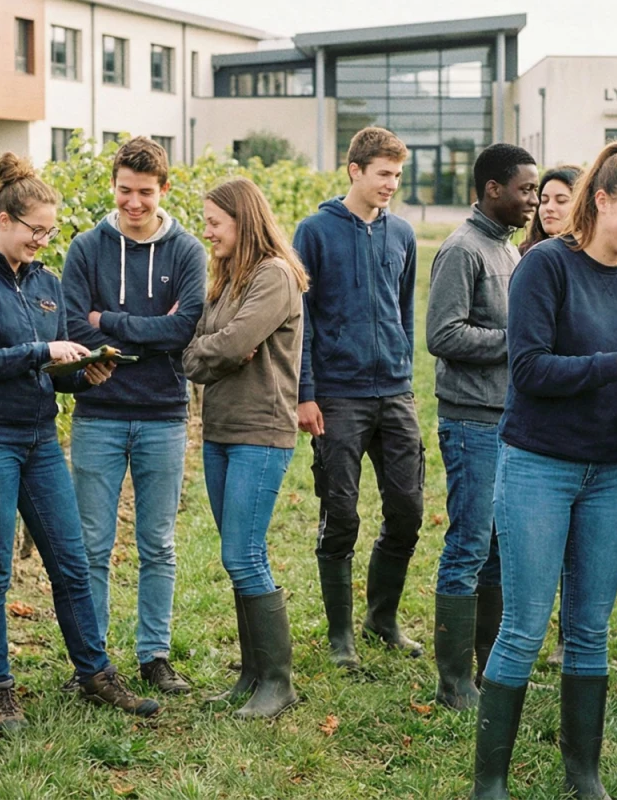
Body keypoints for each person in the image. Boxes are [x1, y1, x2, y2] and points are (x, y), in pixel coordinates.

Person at [473, 140, 617, 800]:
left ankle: (583, 777)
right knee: (526, 625)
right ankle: (490, 782)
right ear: (603, 200)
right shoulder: (544, 267)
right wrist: (615, 368)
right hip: (538, 466)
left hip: (610, 472)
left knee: (589, 631)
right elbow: (528, 371)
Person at [0, 153, 159, 733]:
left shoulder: (47, 285)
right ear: (2, 218)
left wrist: (83, 372)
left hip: (41, 437)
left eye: (50, 232)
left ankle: (95, 673)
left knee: (71, 563)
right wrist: (44, 354)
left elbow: (54, 364)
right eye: (35, 231)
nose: (44, 242)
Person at [63, 136, 206, 695]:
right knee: (92, 544)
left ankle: (155, 654)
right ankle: (92, 662)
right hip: (97, 413)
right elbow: (75, 328)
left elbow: (185, 328)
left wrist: (113, 322)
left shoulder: (187, 251)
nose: (134, 203)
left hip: (163, 414)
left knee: (158, 542)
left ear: (164, 190)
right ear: (114, 188)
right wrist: (146, 331)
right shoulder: (85, 248)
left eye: (145, 192)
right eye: (125, 191)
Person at [294, 126, 425, 668]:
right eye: (383, 174)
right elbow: (299, 319)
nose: (391, 184)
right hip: (339, 396)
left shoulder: (403, 235)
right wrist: (306, 392)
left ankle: (382, 617)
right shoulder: (315, 232)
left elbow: (404, 311)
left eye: (397, 175)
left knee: (409, 511)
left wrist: (406, 378)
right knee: (341, 512)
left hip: (394, 392)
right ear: (355, 171)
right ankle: (340, 635)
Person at [183, 177, 311, 720]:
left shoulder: (274, 276)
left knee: (243, 553)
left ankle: (278, 682)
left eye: (215, 221)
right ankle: (251, 673)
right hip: (221, 430)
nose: (207, 231)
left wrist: (214, 351)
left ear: (244, 220)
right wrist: (213, 352)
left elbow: (231, 344)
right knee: (236, 556)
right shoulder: (228, 279)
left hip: (261, 431)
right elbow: (199, 351)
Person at [426, 143, 539, 710]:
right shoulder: (462, 250)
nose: (534, 200)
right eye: (525, 189)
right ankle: (453, 681)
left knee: (496, 547)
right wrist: (516, 344)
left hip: (507, 419)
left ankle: (488, 667)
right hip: (471, 422)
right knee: (469, 544)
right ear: (492, 189)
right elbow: (442, 336)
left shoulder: (509, 251)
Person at [518, 164, 581, 665]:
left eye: (562, 198)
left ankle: (568, 638)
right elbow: (529, 361)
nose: (550, 207)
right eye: (545, 198)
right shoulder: (531, 262)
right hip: (530, 428)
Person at [519, 166, 579, 255]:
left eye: (561, 201)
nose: (549, 208)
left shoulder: (598, 256)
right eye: (544, 201)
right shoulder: (527, 254)